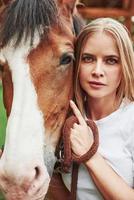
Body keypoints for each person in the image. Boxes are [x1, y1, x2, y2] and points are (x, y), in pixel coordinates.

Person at [62, 17, 134, 199]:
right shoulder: (66, 117)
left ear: (125, 65)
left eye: (111, 60)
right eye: (88, 58)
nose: (97, 71)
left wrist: (90, 155)